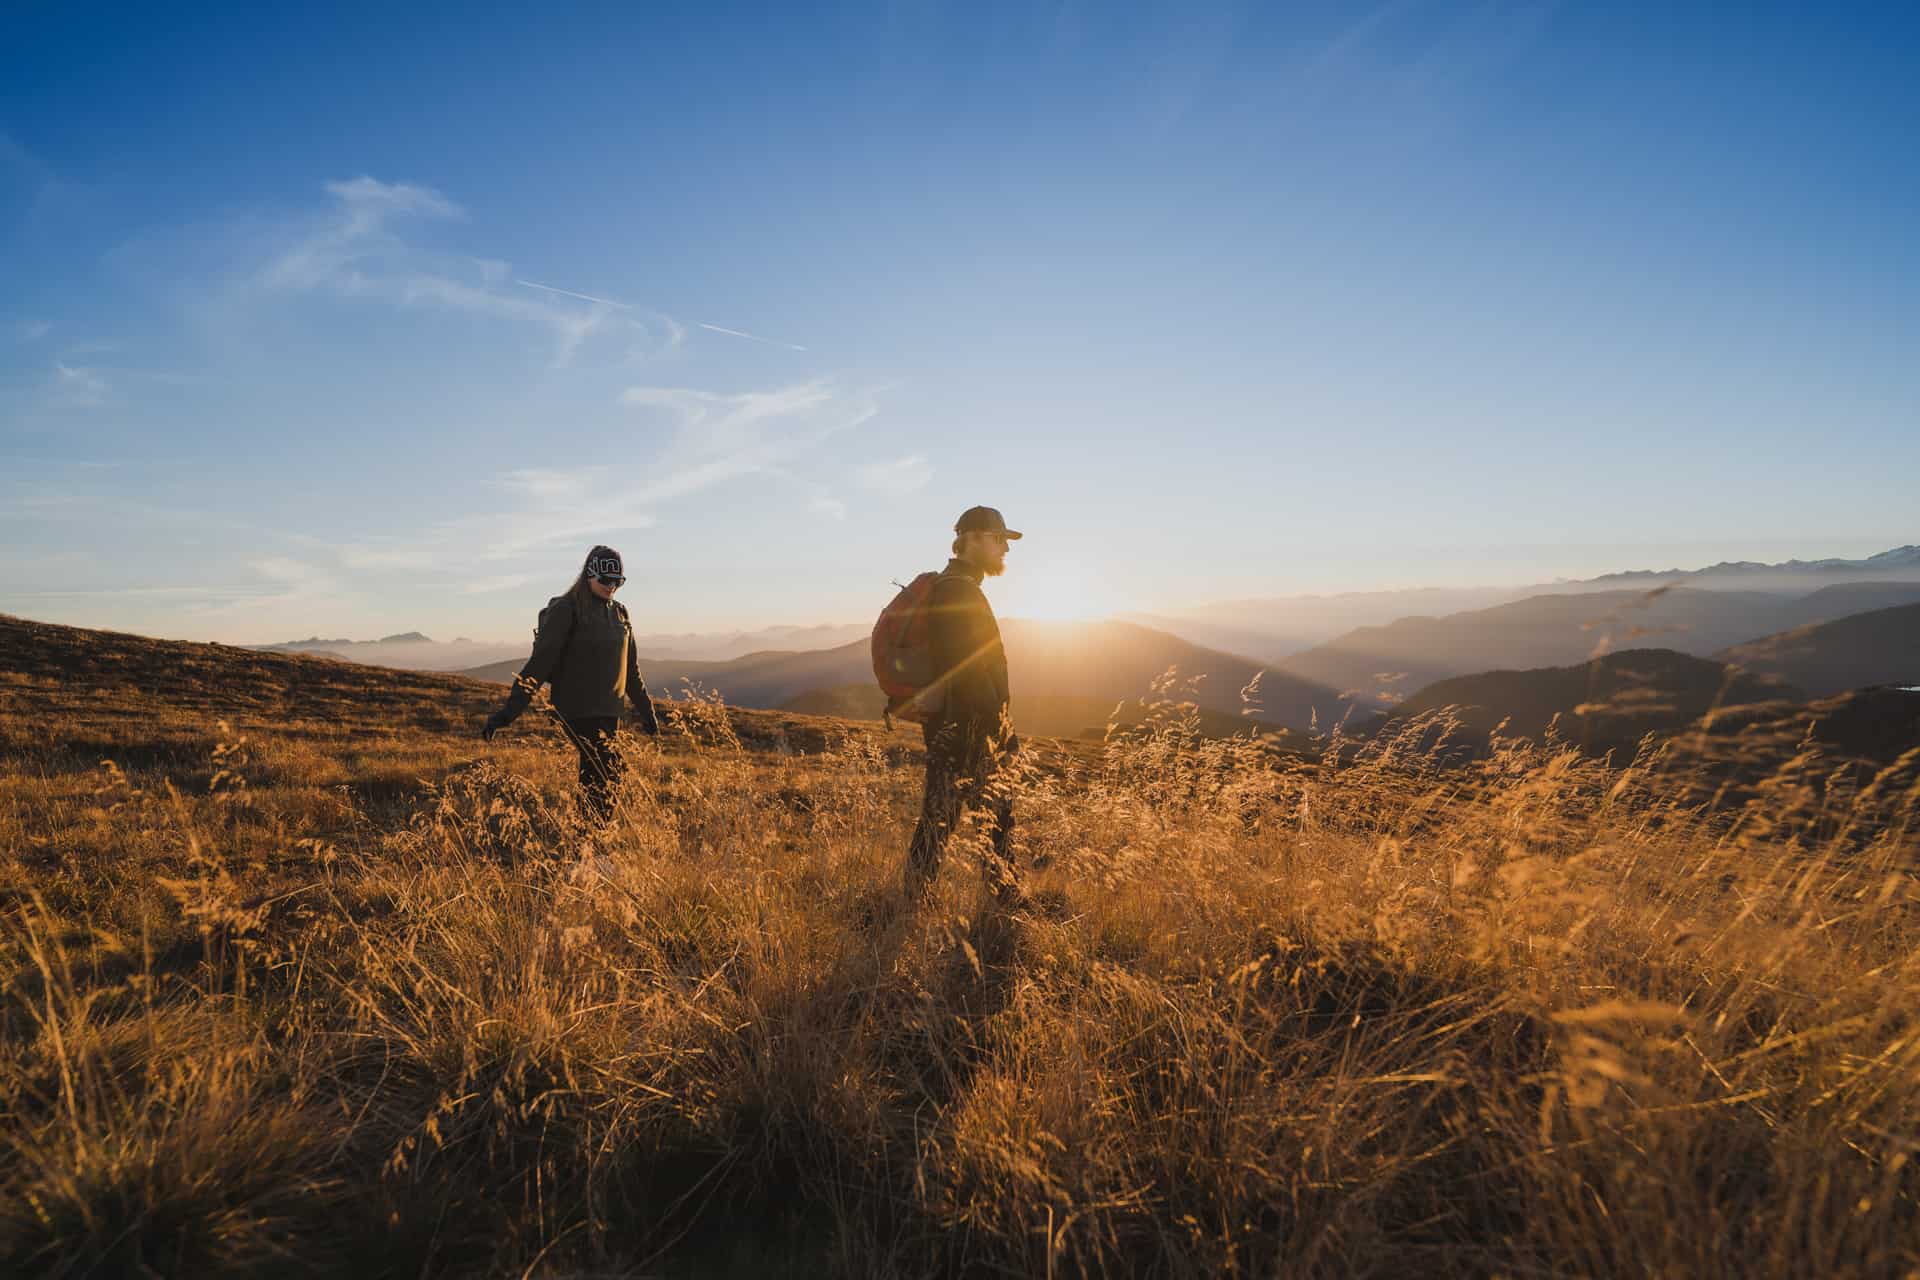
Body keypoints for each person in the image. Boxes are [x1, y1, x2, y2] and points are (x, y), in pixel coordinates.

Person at [483, 545, 660, 820]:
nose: (612, 587)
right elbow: (540, 664)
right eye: (605, 580)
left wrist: (647, 711)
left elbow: (631, 669)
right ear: (589, 575)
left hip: (609, 712)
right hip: (575, 709)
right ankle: (588, 844)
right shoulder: (567, 610)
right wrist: (507, 714)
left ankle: (585, 847)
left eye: (618, 581)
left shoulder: (621, 614)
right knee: (608, 772)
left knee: (598, 777)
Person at [905, 506, 1024, 903]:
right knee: (995, 820)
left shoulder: (955, 585)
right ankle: (1005, 910)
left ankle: (910, 903)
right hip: (969, 728)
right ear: (973, 539)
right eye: (998, 538)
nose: (1005, 548)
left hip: (954, 726)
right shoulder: (959, 590)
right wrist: (999, 736)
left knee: (939, 820)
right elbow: (970, 671)